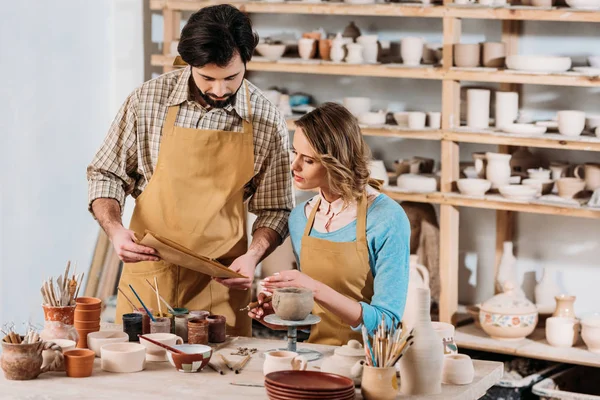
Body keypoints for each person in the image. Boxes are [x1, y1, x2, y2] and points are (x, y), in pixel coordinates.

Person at [87, 5, 293, 336]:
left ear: (246, 63)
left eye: (232, 77)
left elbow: (275, 208)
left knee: (219, 378)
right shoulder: (147, 101)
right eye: (207, 77)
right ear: (190, 63)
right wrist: (116, 231)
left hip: (220, 282)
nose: (220, 90)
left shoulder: (266, 120)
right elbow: (105, 174)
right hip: (149, 274)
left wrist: (254, 256)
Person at [249, 103, 410, 346]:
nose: (294, 166)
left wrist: (313, 288)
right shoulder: (301, 217)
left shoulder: (386, 218)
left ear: (337, 162)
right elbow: (319, 314)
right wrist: (284, 314)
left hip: (371, 362)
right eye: (294, 153)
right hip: (317, 356)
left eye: (309, 160)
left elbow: (386, 323)